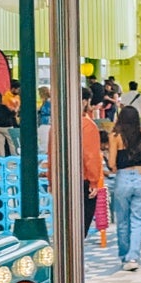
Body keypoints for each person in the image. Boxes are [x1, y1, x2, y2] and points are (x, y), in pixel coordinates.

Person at [49, 96, 103, 237]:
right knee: (80, 226)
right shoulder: (87, 125)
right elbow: (90, 155)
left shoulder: (56, 125)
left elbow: (51, 154)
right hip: (82, 180)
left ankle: (66, 255)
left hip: (61, 180)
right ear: (85, 101)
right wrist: (94, 181)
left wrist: (51, 180)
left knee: (65, 224)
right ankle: (75, 256)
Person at [108, 105, 141, 270]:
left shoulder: (115, 136)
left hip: (123, 178)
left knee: (123, 220)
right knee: (139, 220)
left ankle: (125, 255)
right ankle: (133, 257)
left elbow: (112, 163)